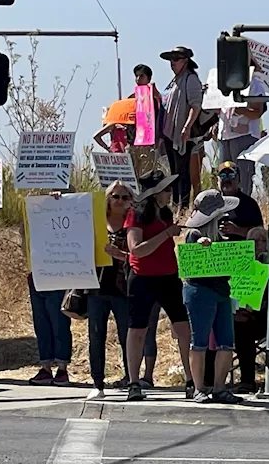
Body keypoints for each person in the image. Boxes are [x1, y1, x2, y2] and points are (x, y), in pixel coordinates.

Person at [123, 169, 193, 402]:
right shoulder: (136, 215)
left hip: (168, 276)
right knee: (138, 330)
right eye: (166, 189)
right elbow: (136, 249)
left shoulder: (166, 213)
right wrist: (166, 234)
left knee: (183, 328)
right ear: (154, 193)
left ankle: (191, 379)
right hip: (142, 278)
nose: (169, 193)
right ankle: (134, 381)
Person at [181, 188, 246, 404]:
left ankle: (219, 388)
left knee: (226, 342)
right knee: (198, 342)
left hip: (221, 292)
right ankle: (199, 388)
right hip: (200, 291)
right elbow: (193, 244)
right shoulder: (195, 234)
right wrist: (203, 244)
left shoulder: (222, 236)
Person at [87, 182, 136, 400]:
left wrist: (121, 255)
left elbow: (141, 257)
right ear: (107, 198)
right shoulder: (96, 221)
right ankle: (97, 383)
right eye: (115, 196)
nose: (120, 201)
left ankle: (131, 379)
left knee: (128, 337)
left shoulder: (134, 224)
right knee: (96, 336)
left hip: (124, 290)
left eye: (125, 198)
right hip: (97, 288)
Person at [25, 191, 76, 385]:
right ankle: (45, 367)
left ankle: (62, 368)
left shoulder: (70, 208)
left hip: (59, 273)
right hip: (38, 273)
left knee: (59, 322)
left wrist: (61, 199)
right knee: (41, 323)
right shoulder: (33, 208)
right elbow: (27, 238)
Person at [160, 46, 205, 209]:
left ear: (185, 61)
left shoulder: (190, 78)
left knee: (183, 172)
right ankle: (176, 204)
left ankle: (183, 206)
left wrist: (187, 127)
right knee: (174, 173)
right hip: (170, 133)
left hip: (183, 134)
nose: (172, 63)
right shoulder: (174, 80)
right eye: (171, 60)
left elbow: (195, 105)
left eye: (176, 59)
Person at [231, 225, 269, 394]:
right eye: (254, 241)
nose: (258, 244)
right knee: (234, 326)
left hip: (264, 317)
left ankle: (248, 380)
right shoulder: (238, 264)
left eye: (263, 240)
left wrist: (257, 309)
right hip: (238, 314)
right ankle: (209, 379)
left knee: (245, 329)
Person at [218, 70, 267, 195]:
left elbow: (257, 112)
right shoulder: (223, 82)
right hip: (225, 136)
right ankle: (226, 206)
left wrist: (242, 111)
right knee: (224, 173)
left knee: (243, 175)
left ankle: (243, 207)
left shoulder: (254, 84)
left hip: (244, 136)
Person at [215, 161, 263, 239]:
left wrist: (237, 230)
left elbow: (260, 234)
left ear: (238, 180)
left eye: (231, 175)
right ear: (217, 180)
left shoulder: (249, 204)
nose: (227, 179)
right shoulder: (212, 203)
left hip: (242, 249)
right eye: (223, 176)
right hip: (216, 249)